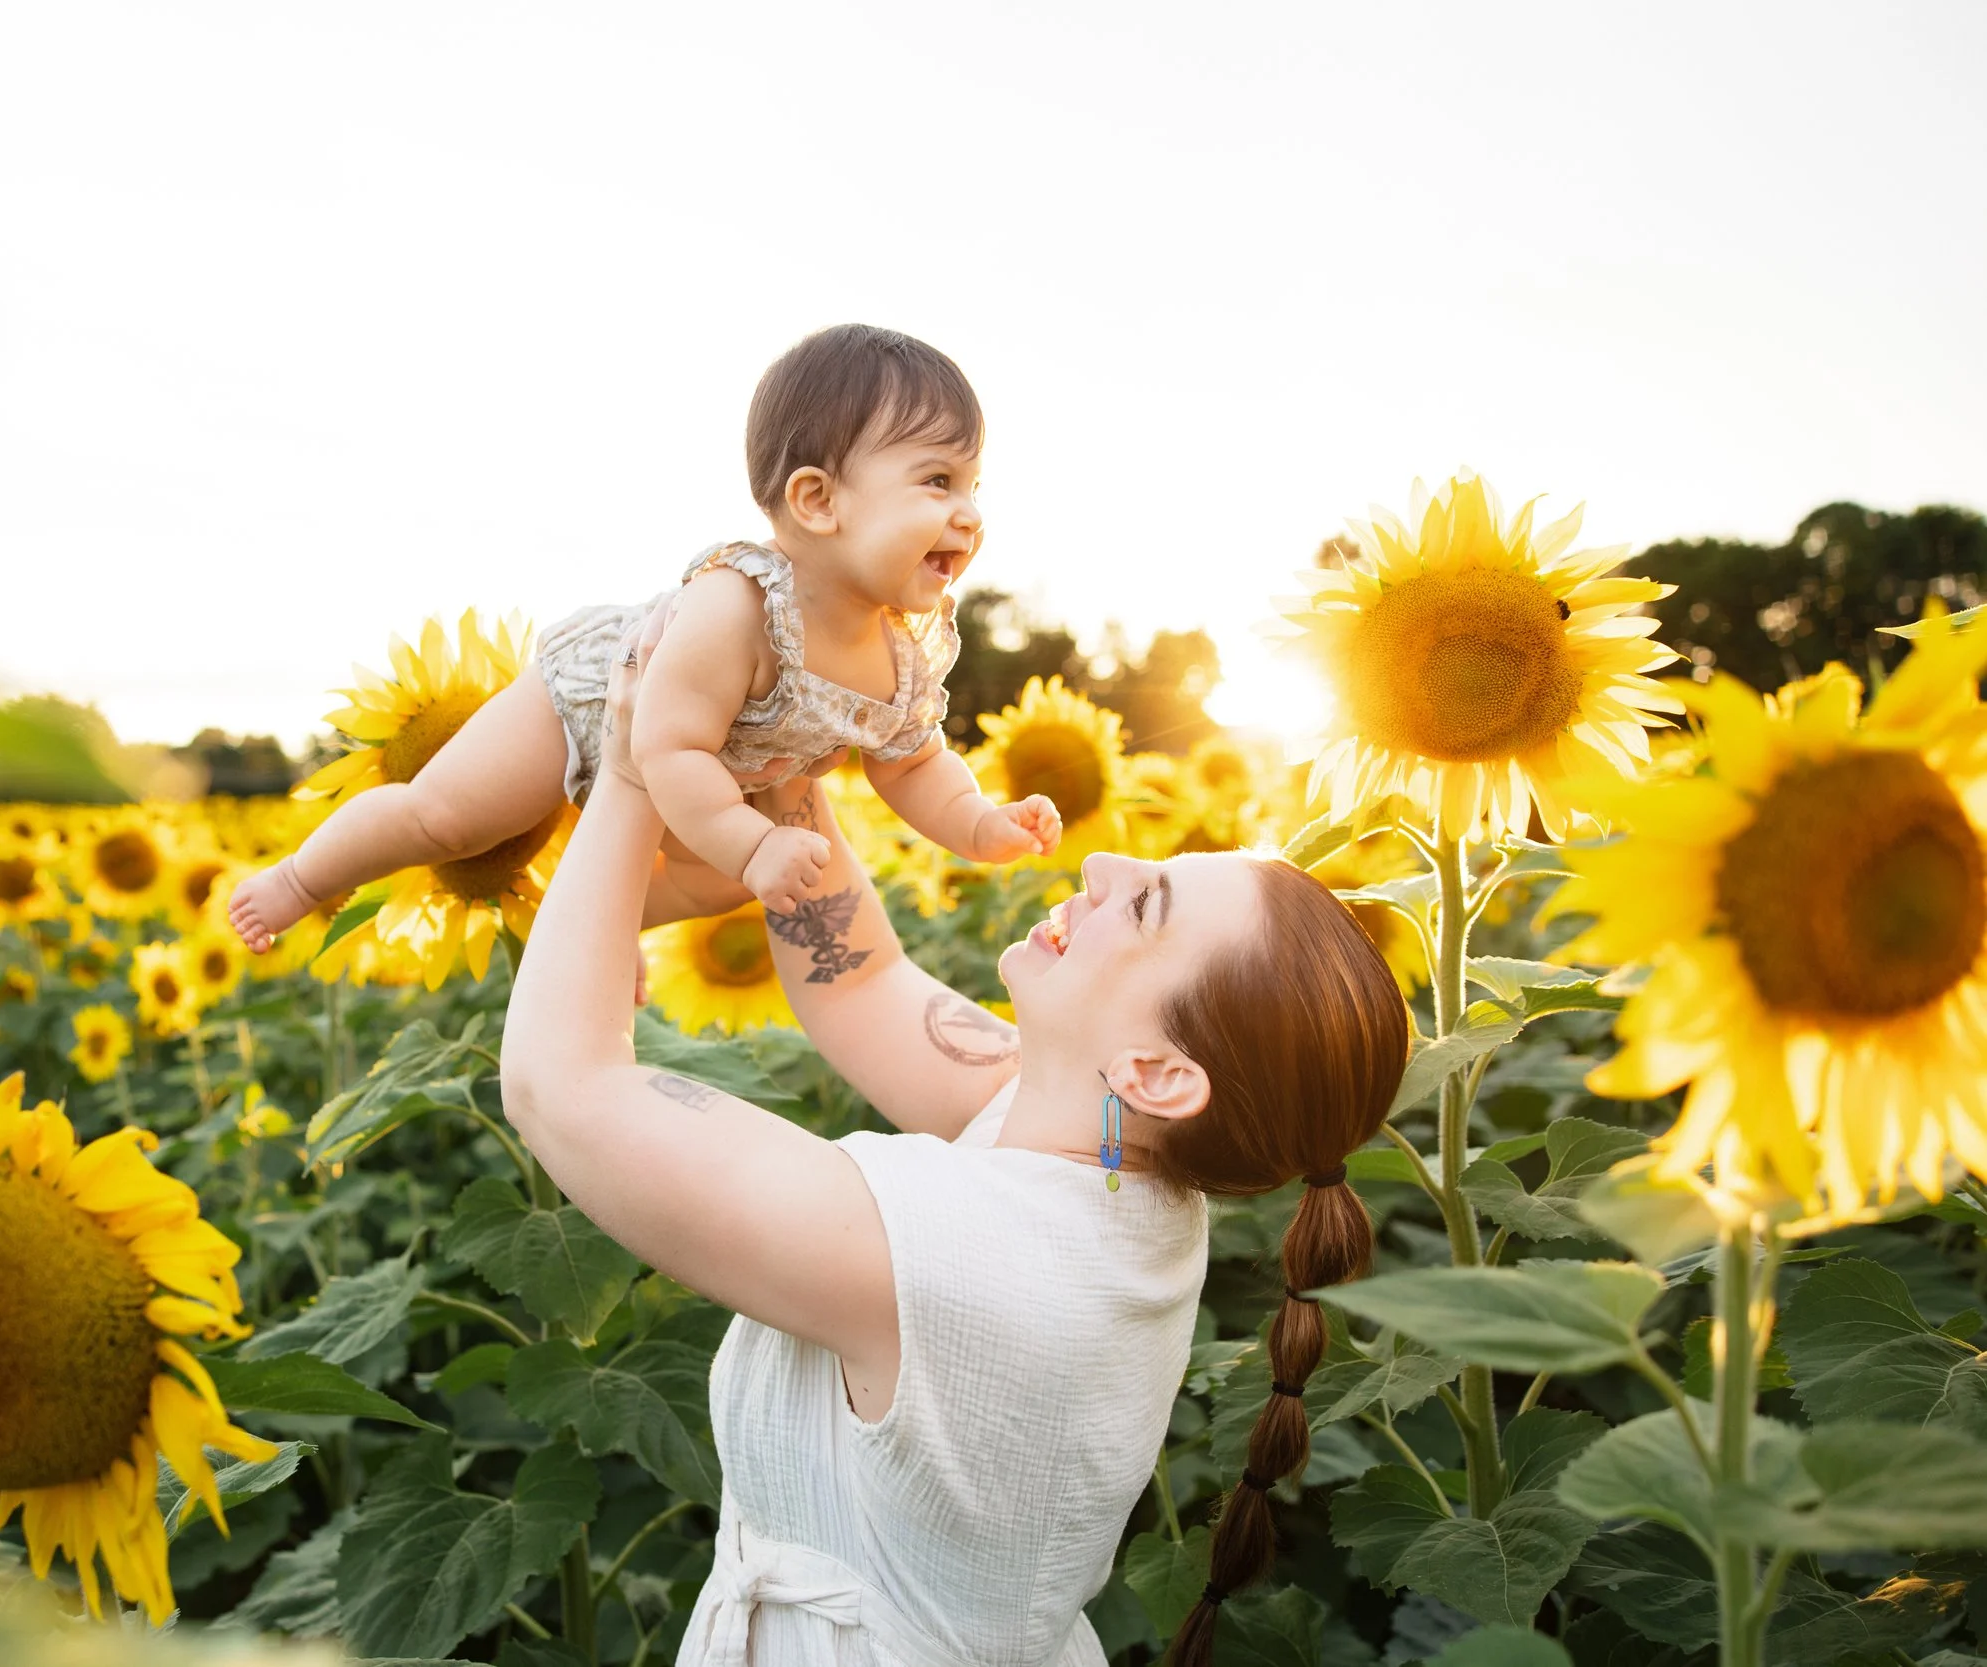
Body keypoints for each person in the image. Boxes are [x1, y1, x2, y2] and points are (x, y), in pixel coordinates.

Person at [499, 613, 1411, 1667]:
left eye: (1148, 904)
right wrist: (796, 722)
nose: (1103, 859)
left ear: (1159, 1072)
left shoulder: (969, 1258)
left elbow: (560, 1086)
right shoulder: (1112, 1147)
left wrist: (627, 765)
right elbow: (859, 978)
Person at [227, 323, 1062, 954]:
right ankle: (302, 876)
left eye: (976, 485)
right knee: (447, 819)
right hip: (589, 709)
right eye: (938, 481)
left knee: (718, 886)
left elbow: (911, 761)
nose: (970, 513)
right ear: (816, 500)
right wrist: (758, 838)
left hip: (704, 780)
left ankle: (585, 930)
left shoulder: (903, 652)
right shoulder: (736, 606)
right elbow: (667, 751)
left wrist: (978, 823)